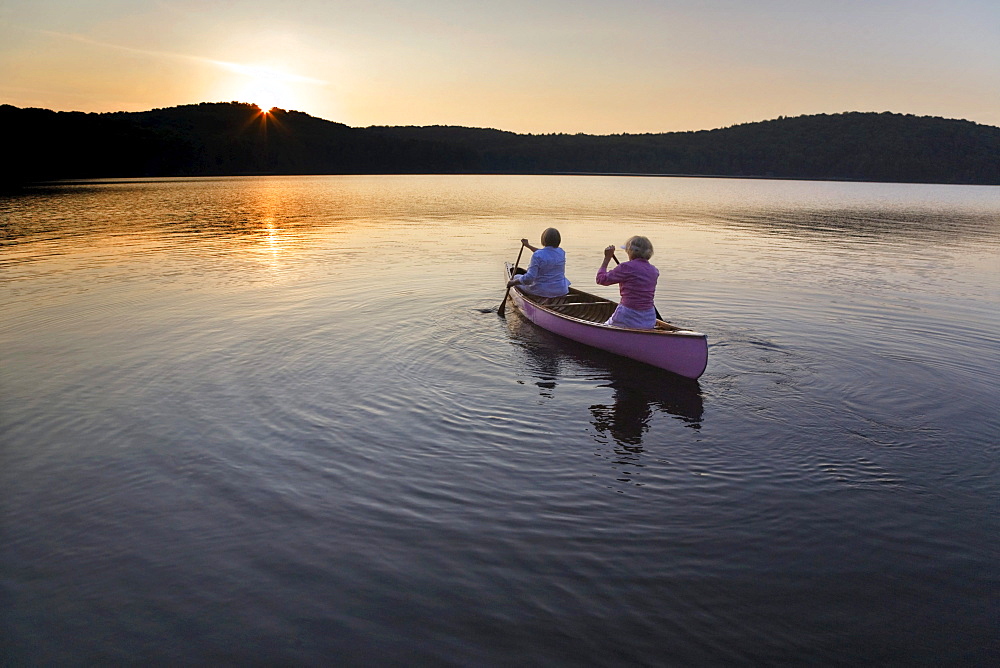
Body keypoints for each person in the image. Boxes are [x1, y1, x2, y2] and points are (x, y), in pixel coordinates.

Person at [596, 235, 659, 328]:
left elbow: (601, 279)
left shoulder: (626, 267)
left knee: (605, 327)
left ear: (630, 251)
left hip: (628, 315)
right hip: (649, 317)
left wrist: (607, 258)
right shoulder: (654, 270)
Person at [506, 227, 571, 298]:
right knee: (518, 278)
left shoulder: (538, 255)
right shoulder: (561, 252)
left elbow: (529, 279)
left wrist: (513, 282)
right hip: (561, 290)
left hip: (541, 291)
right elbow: (547, 253)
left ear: (544, 239)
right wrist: (528, 246)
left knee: (515, 277)